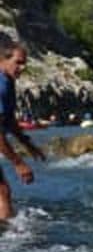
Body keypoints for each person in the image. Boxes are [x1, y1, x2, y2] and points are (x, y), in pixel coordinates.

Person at [0, 38, 46, 220]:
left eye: (24, 63)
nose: (23, 67)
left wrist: (28, 145)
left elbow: (9, 121)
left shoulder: (8, 82)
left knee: (3, 193)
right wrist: (18, 163)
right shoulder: (1, 85)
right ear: (2, 60)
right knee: (2, 194)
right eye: (18, 62)